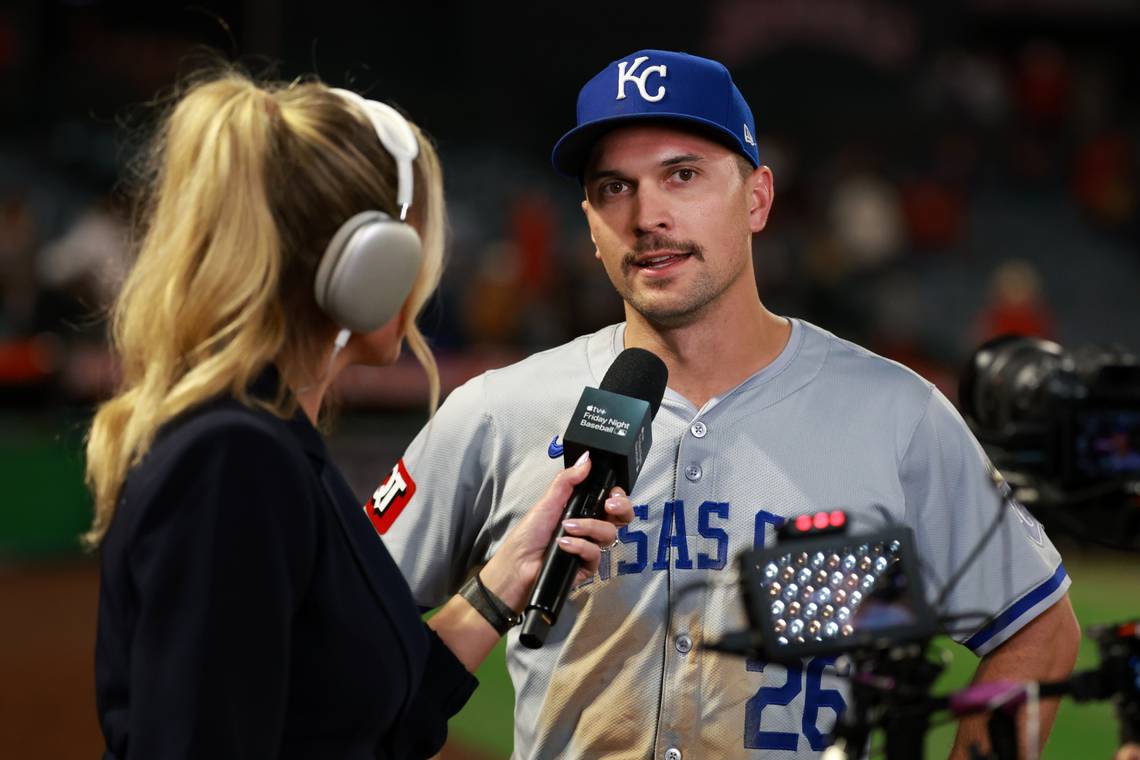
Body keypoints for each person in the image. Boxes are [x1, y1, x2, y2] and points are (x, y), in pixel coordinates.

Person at [377, 50, 1080, 758]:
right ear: (588, 223)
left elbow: (1038, 629)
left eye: (683, 175)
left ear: (757, 199)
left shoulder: (897, 415)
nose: (647, 215)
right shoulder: (501, 411)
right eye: (613, 187)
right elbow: (338, 644)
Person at [84, 68, 632, 759]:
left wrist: (505, 580)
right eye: (418, 240)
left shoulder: (274, 444)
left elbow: (354, 725)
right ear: (370, 260)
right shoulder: (233, 460)